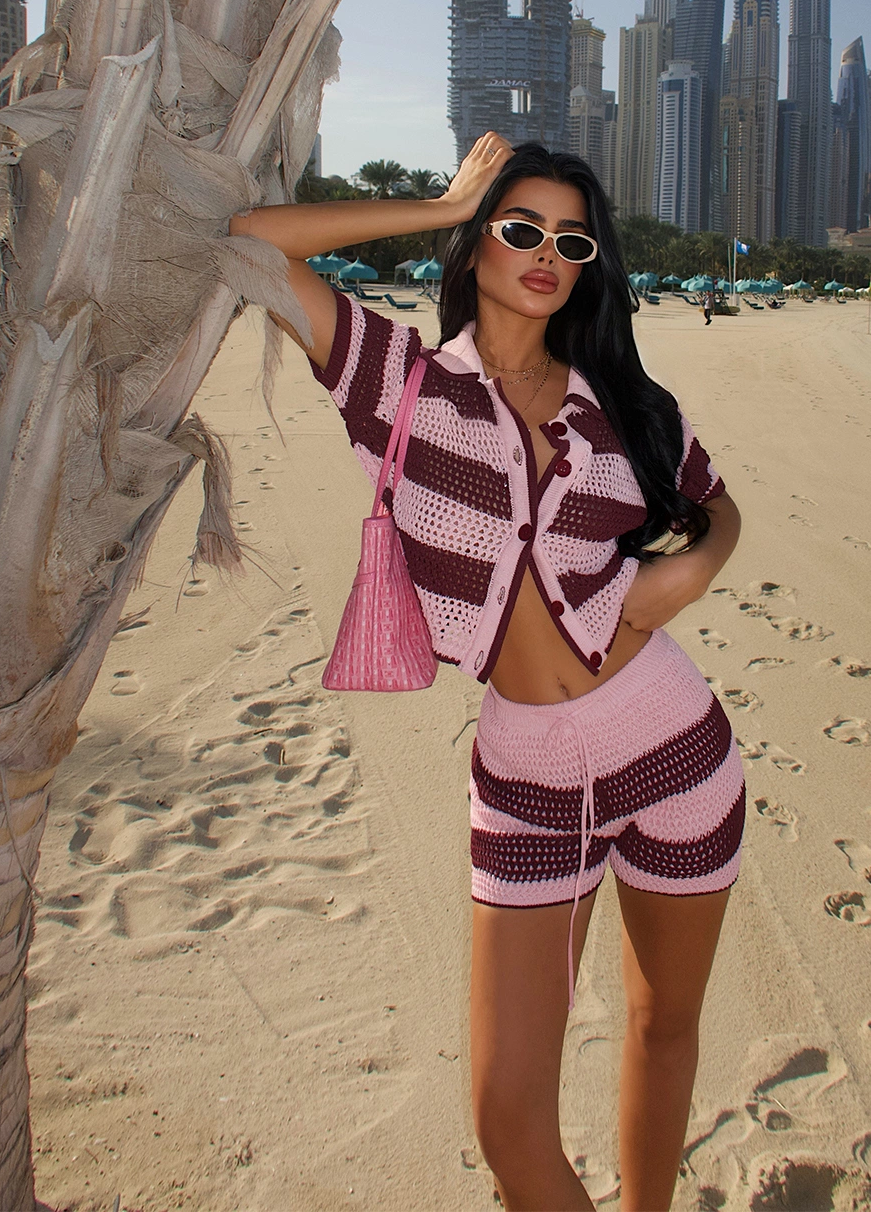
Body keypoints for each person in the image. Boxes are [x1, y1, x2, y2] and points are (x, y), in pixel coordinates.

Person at [230, 134, 745, 1212]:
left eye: (572, 240)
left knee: (664, 1025)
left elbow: (716, 501)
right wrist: (441, 205)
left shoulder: (621, 402)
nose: (548, 253)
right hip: (525, 775)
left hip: (674, 744)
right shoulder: (401, 384)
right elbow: (250, 242)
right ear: (476, 247)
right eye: (520, 229)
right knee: (509, 1122)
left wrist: (690, 571)